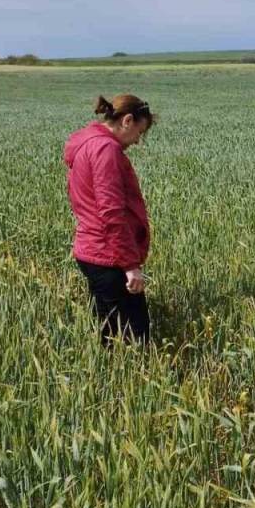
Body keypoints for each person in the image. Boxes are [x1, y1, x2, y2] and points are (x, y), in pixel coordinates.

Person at [64, 94, 155, 344]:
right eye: (140, 132)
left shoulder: (87, 143)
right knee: (136, 337)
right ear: (127, 120)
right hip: (108, 256)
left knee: (109, 331)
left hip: (91, 250)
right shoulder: (106, 150)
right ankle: (133, 380)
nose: (137, 141)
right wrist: (129, 266)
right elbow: (112, 213)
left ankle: (109, 378)